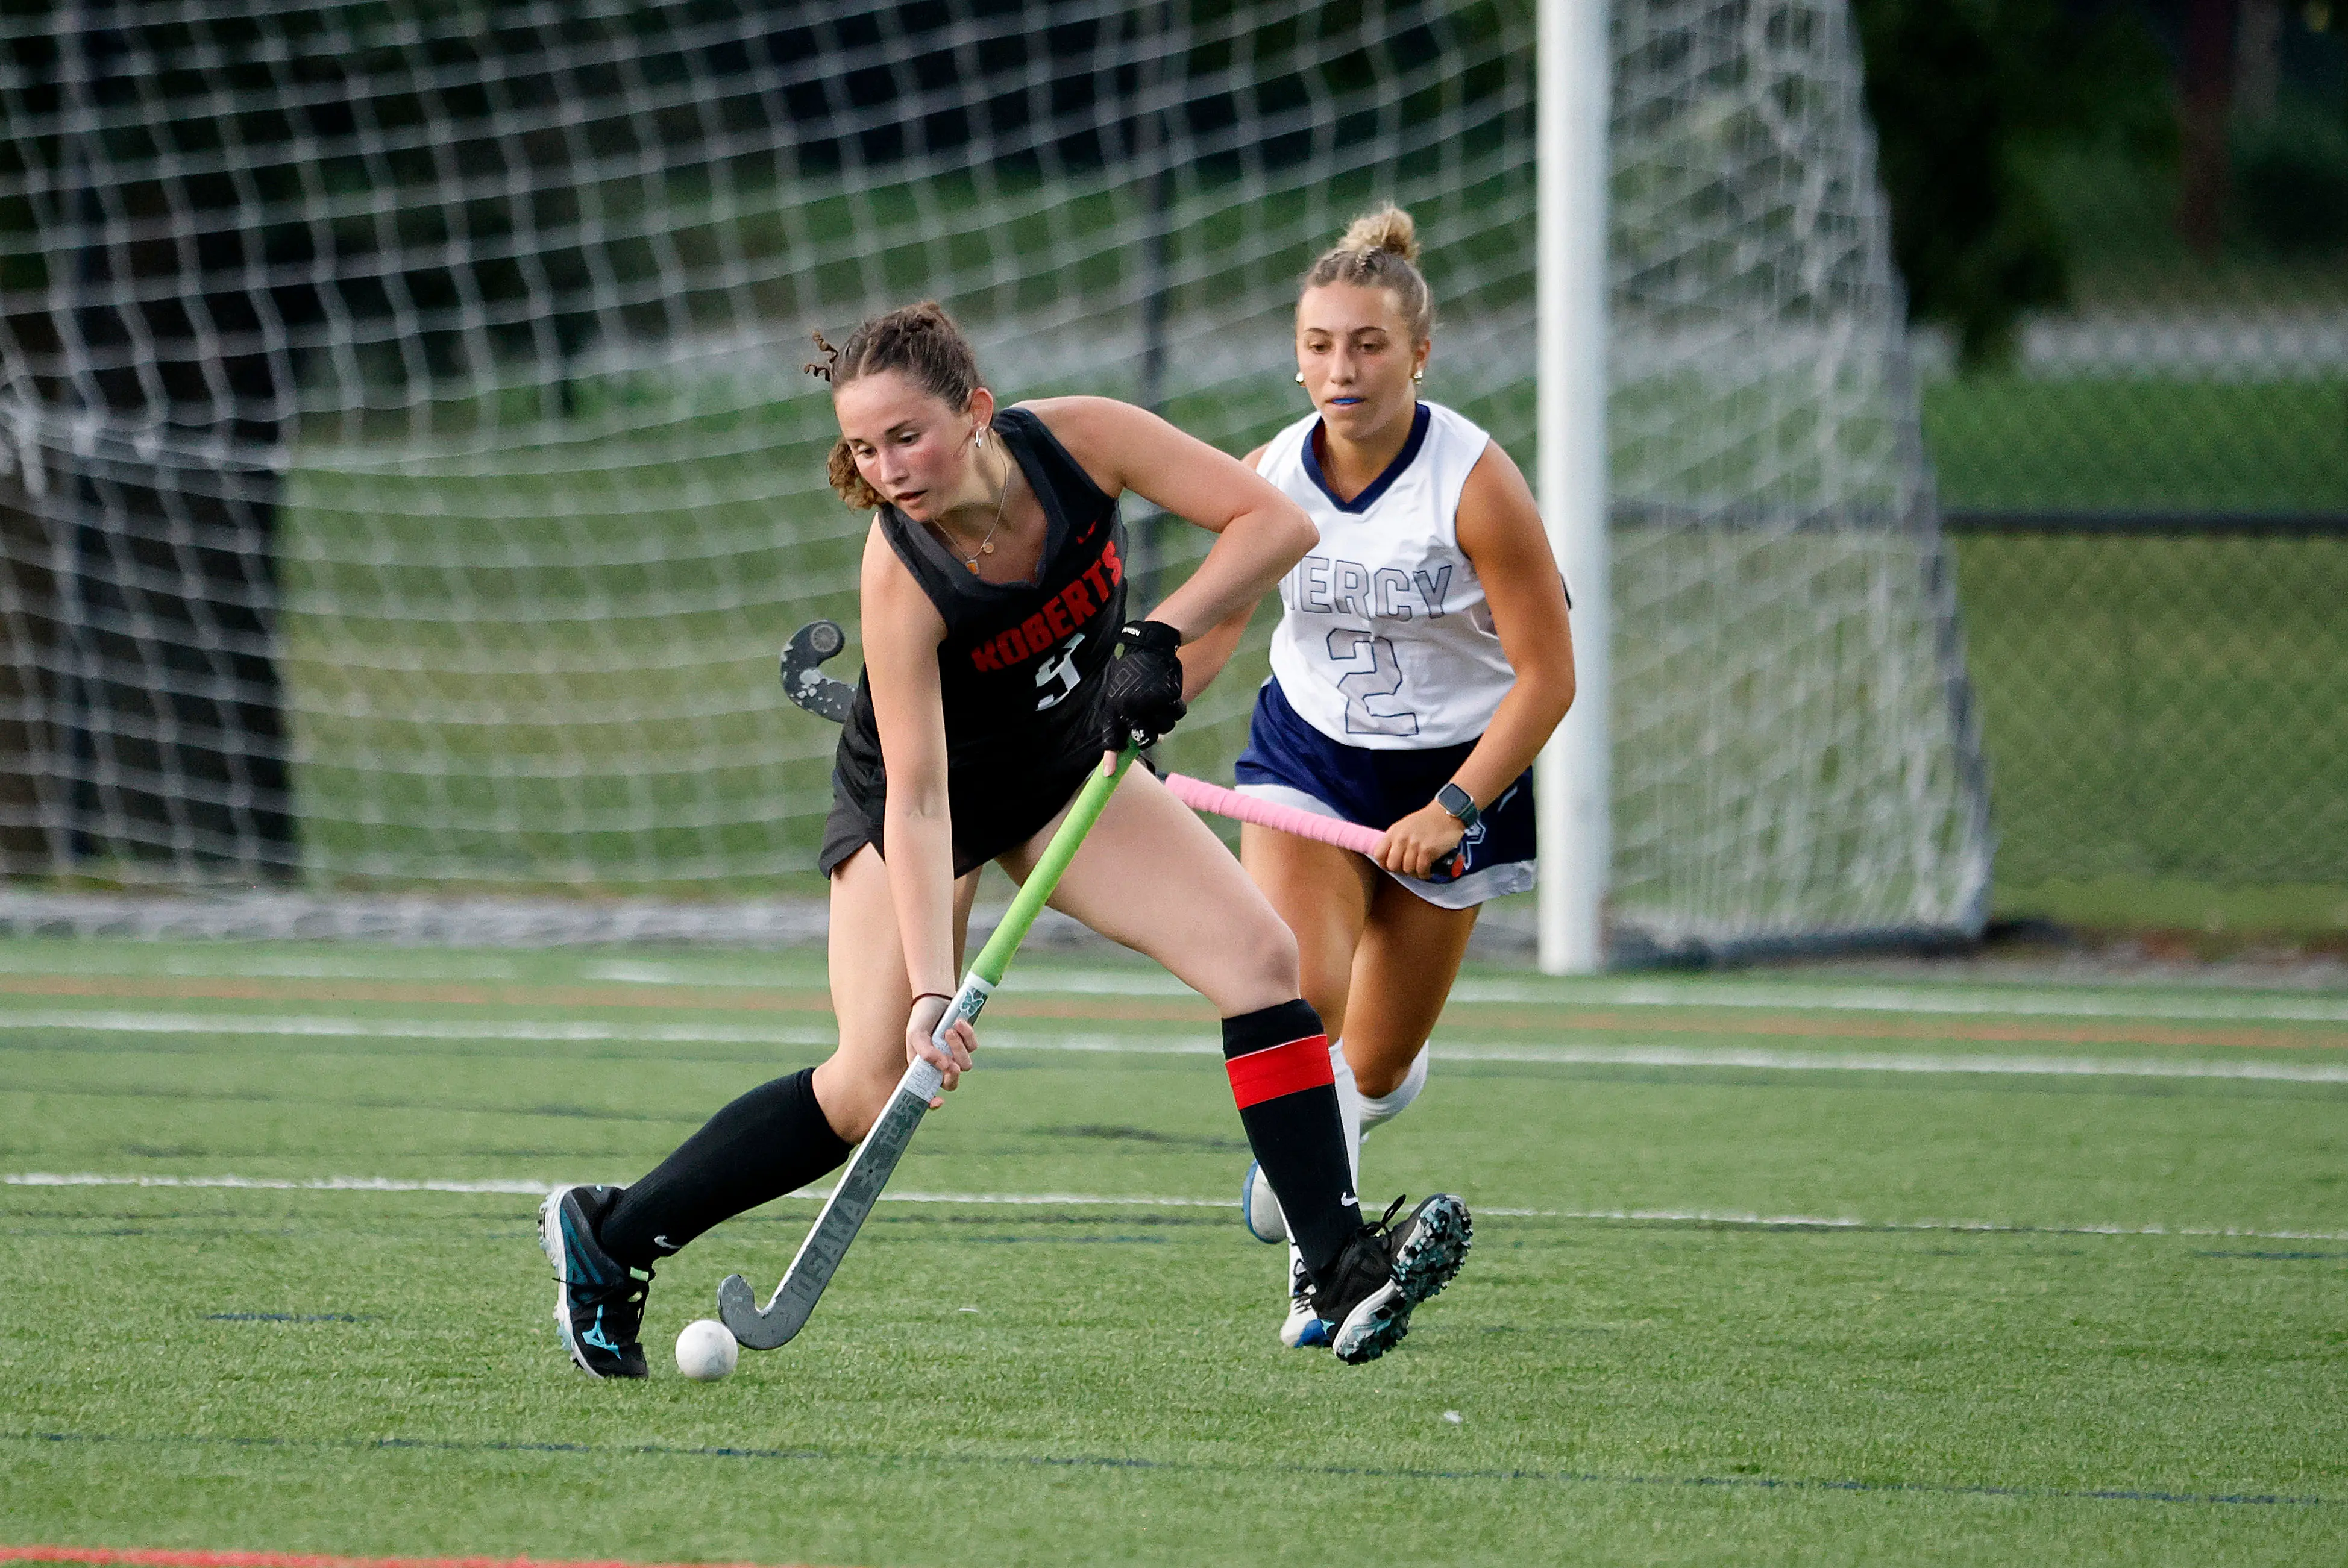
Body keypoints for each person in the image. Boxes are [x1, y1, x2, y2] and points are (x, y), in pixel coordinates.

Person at [536, 301, 1472, 1376]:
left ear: (976, 410)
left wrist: (1158, 637)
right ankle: (613, 1236)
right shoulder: (903, 573)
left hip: (1064, 770)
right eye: (864, 448)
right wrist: (933, 991)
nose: (889, 469)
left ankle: (1336, 1266)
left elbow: (1275, 525)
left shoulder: (1085, 441)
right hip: (922, 808)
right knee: (869, 1080)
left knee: (1263, 961)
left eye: (908, 436)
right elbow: (919, 798)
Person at [1182, 208, 1576, 1348]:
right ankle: (1326, 1276)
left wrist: (1453, 806)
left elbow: (1549, 678)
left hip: (1460, 774)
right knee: (1300, 996)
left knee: (1379, 1061)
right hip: (1306, 757)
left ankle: (1339, 1121)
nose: (1340, 369)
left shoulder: (1474, 483)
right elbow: (1217, 624)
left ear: (1419, 354)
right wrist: (1140, 708)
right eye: (1319, 345)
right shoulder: (1269, 476)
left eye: (1366, 344)